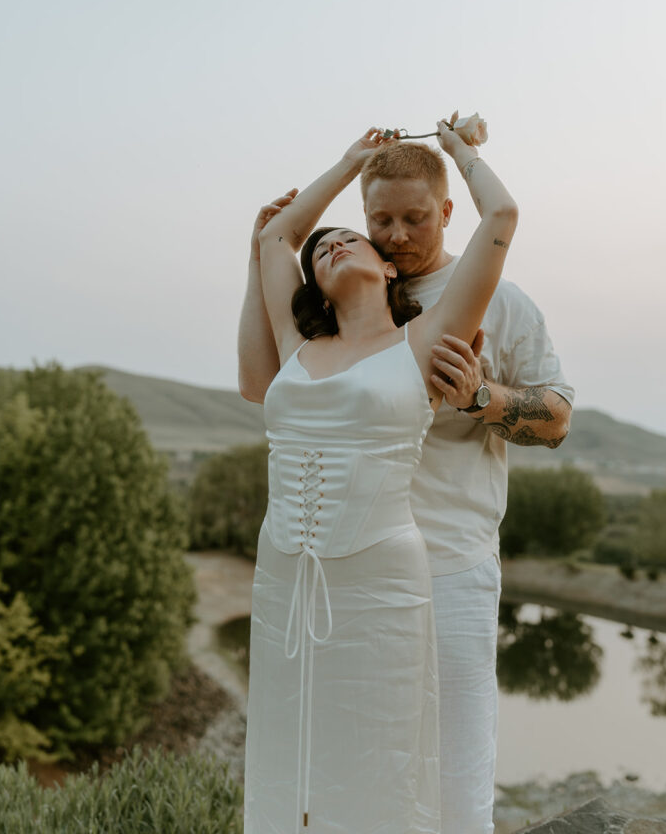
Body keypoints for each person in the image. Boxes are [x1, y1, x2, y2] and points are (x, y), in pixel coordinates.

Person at [239, 124, 574, 834]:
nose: (394, 235)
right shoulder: (325, 316)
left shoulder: (492, 302)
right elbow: (262, 375)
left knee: (449, 779)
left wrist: (483, 400)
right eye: (378, 220)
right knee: (335, 774)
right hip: (321, 573)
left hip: (447, 564)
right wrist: (344, 166)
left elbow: (556, 419)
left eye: (413, 218)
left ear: (446, 211)